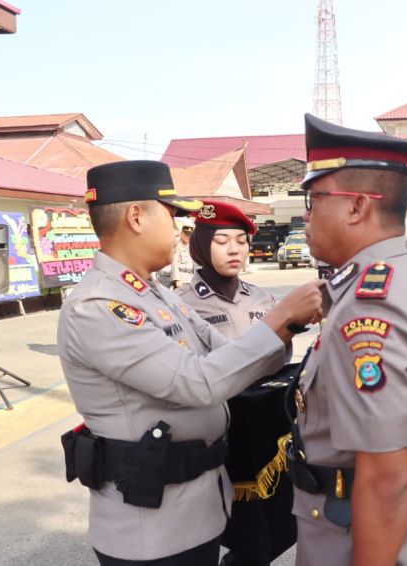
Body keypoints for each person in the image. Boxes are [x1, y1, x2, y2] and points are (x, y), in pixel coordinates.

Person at [58, 160, 323, 566]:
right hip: (151, 531)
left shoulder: (154, 293)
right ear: (136, 217)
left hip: (195, 512)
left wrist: (288, 326)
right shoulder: (99, 306)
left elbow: (224, 353)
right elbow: (199, 383)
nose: (181, 229)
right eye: (173, 215)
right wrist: (280, 317)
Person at [287, 113, 407, 565]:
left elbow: (385, 480)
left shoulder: (372, 304)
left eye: (314, 199)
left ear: (356, 206)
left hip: (363, 534)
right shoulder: (400, 280)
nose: (306, 215)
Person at [176, 200, 296, 566]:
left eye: (241, 241)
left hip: (268, 432)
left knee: (280, 527)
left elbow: (283, 354)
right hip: (219, 429)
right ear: (200, 245)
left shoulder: (262, 298)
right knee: (233, 532)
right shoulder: (181, 306)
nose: (234, 250)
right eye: (222, 240)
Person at [168, 221, 196, 289]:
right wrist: (177, 279)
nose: (188, 237)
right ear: (182, 234)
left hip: (190, 278)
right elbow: (174, 264)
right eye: (186, 234)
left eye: (190, 235)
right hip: (181, 278)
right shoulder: (177, 246)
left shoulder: (190, 247)